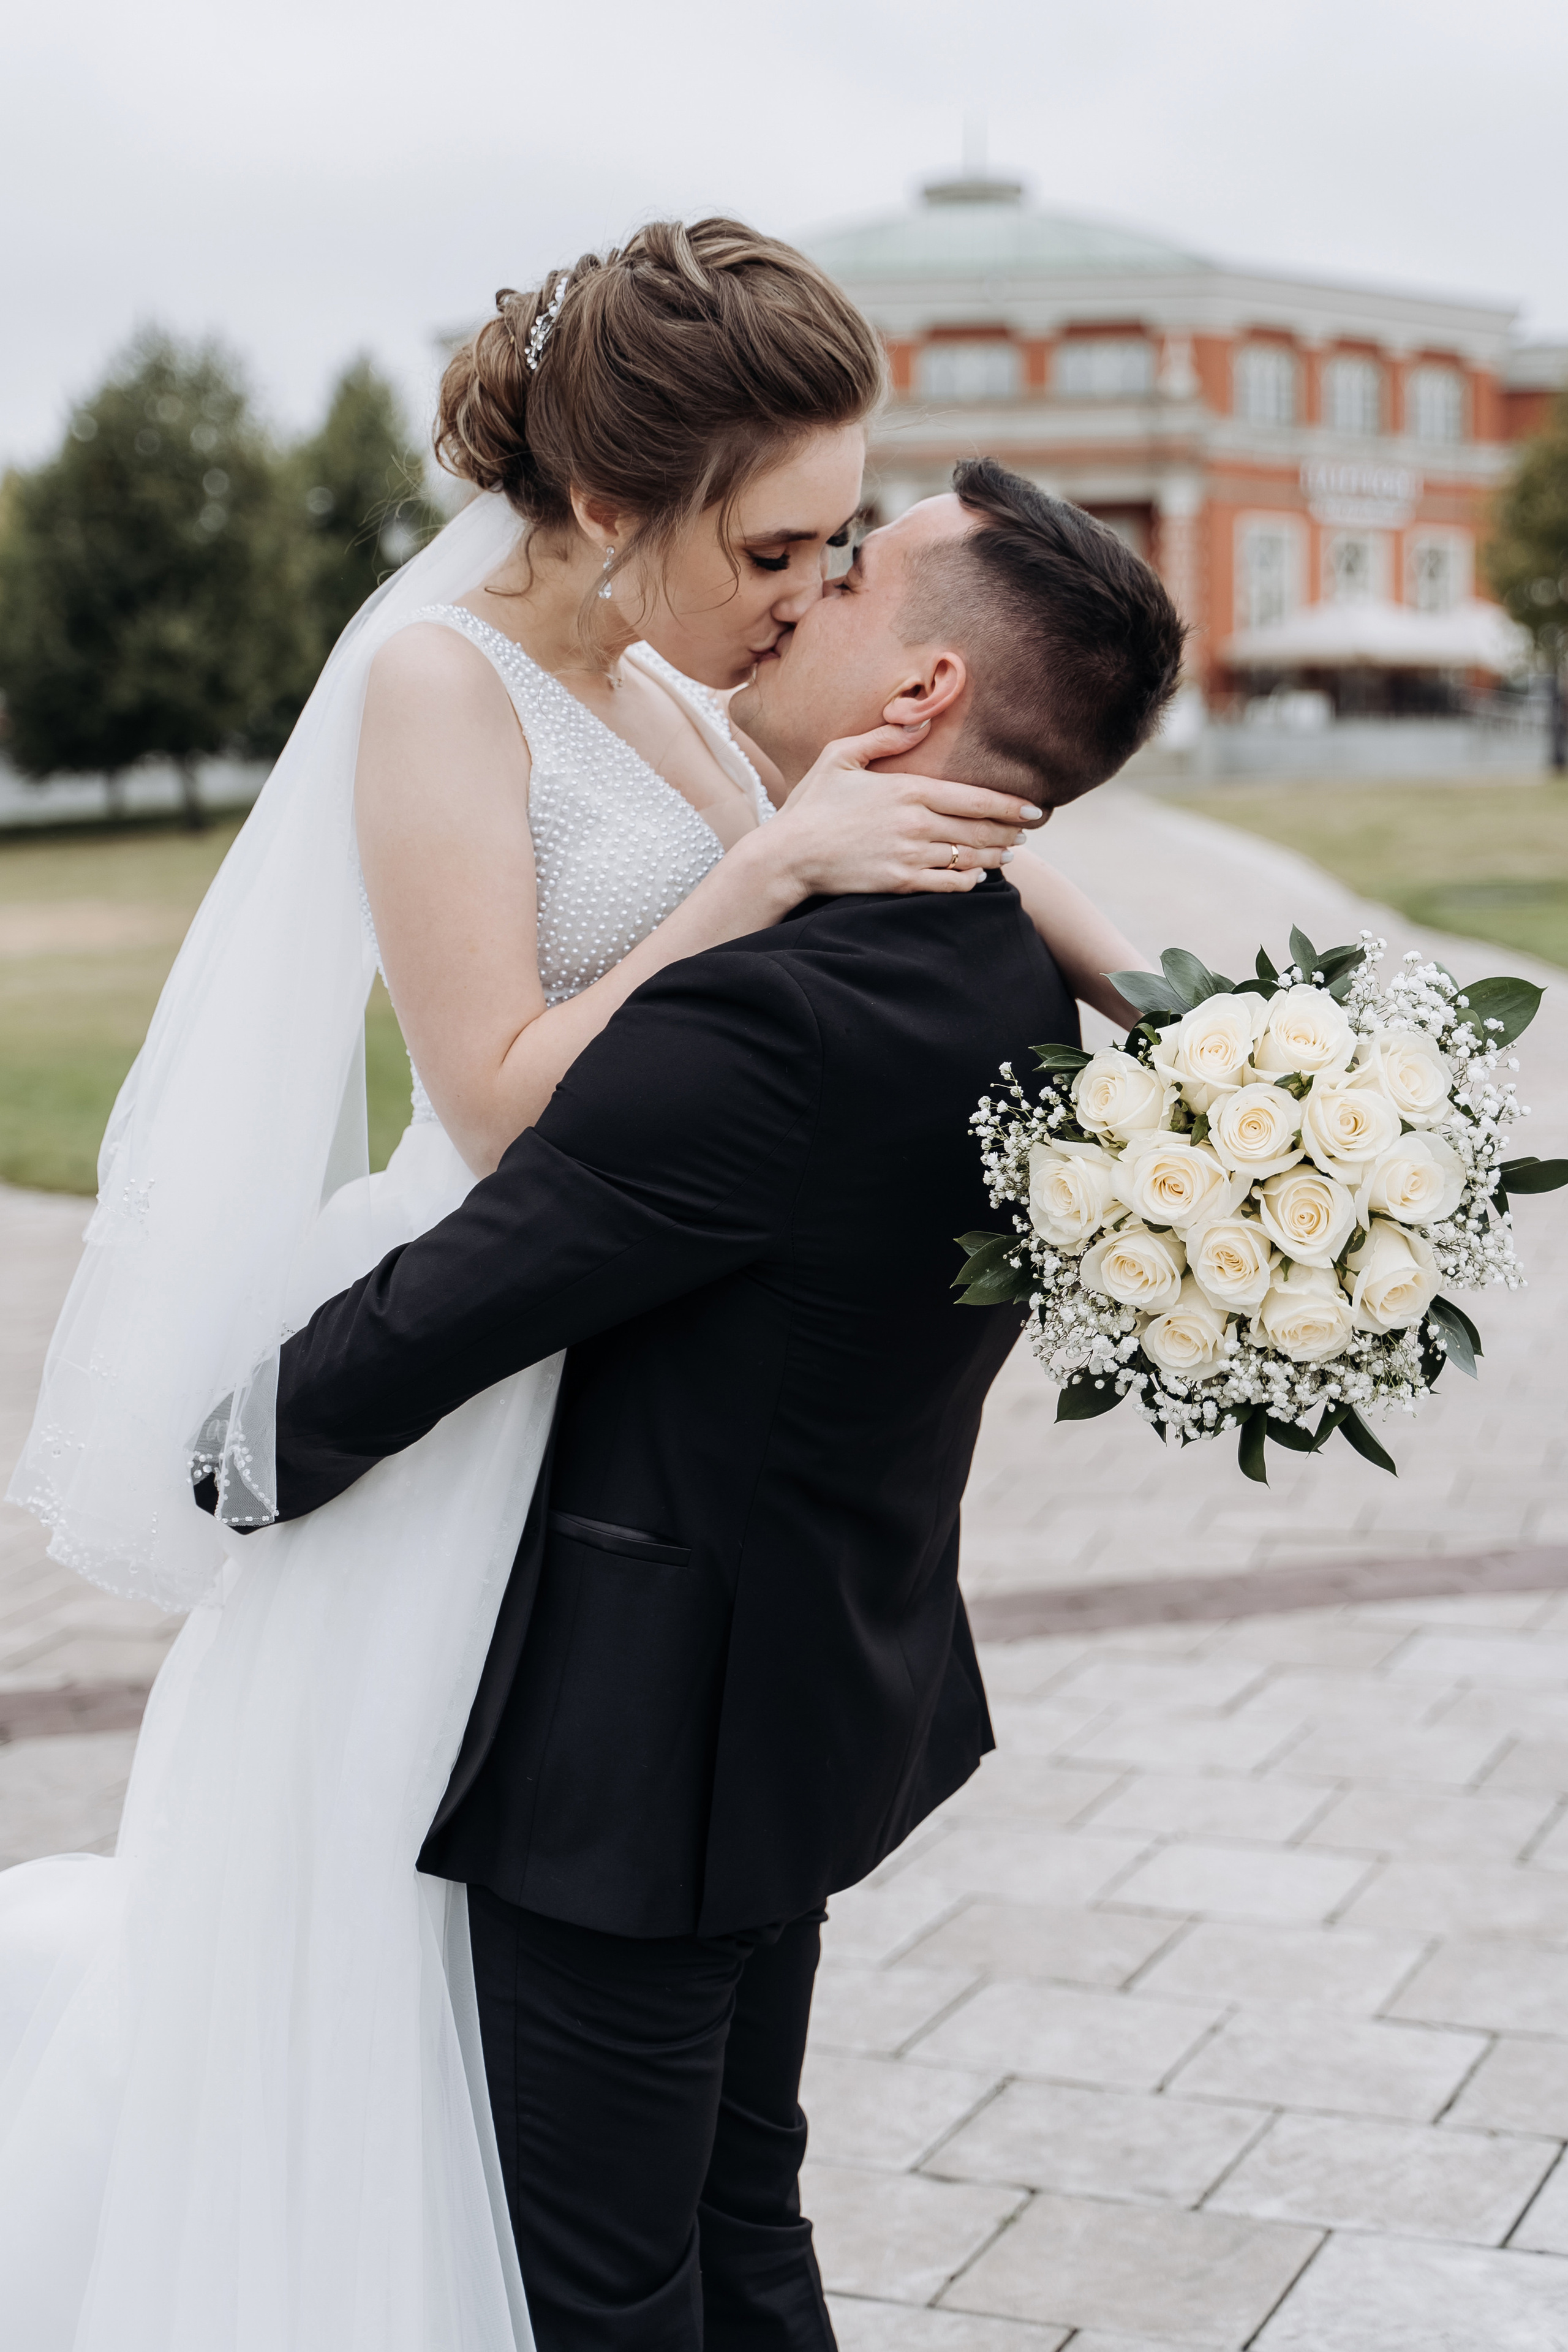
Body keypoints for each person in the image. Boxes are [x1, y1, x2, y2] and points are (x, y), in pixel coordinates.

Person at [0, 223, 1142, 2351]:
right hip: (481, 1386)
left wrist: (1132, 973)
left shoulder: (683, 683)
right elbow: (508, 1105)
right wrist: (753, 876)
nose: (814, 595)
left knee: (635, 2109)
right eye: (783, 545)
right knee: (427, 2004)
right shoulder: (445, 684)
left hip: (627, 1420)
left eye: (839, 543)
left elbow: (934, 802)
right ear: (619, 503)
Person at [237, 457, 1185, 2350]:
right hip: (820, 1685)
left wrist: (239, 1447)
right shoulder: (997, 962)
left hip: (648, 1752)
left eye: (846, 575)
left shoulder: (788, 1010)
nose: (801, 591)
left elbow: (468, 1296)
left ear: (920, 697)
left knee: (607, 2285)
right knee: (742, 2215)